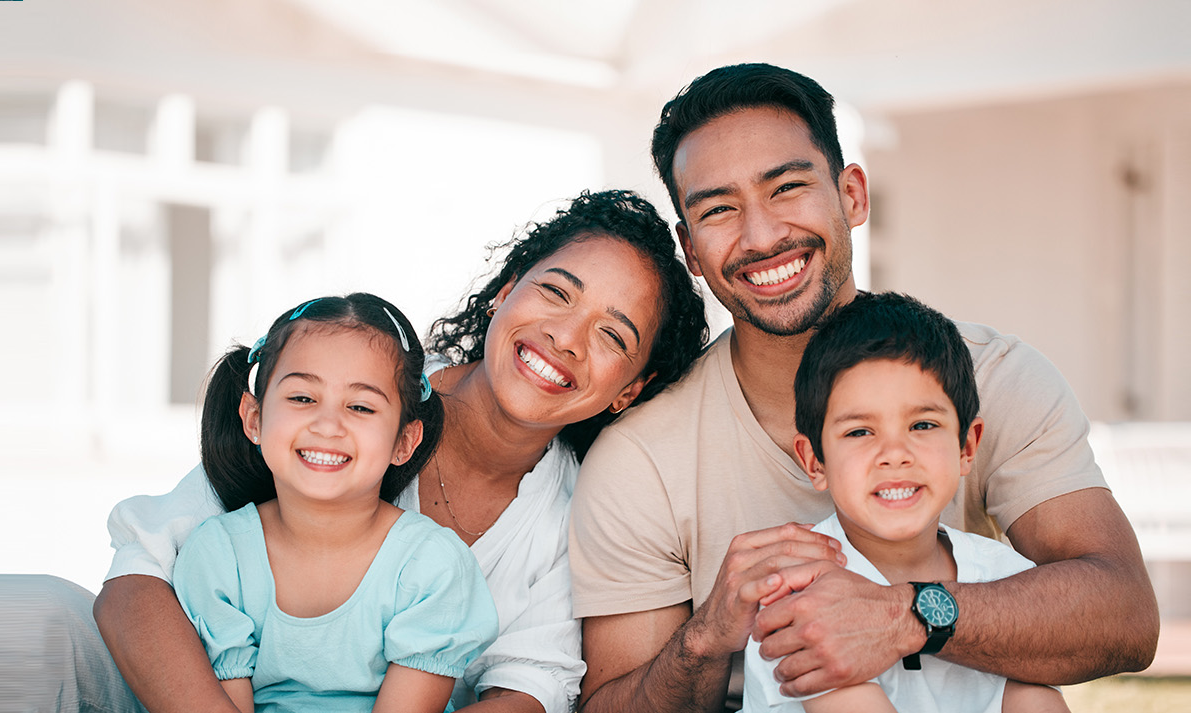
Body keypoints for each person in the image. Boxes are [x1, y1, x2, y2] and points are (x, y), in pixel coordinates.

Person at [570, 63, 1157, 713]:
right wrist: (706, 636)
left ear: (852, 195)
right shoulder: (642, 459)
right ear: (690, 247)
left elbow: (1126, 616)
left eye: (787, 187)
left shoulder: (995, 376)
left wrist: (906, 614)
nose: (762, 235)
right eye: (719, 209)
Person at [94, 189, 711, 713]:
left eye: (611, 334)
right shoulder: (347, 400)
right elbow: (136, 581)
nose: (566, 338)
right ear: (503, 291)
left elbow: (530, 686)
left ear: (628, 391)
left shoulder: (582, 510)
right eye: (555, 293)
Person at [739, 291, 1068, 713]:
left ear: (967, 447)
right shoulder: (798, 593)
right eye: (859, 432)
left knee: (1037, 692)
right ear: (814, 460)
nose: (895, 453)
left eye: (923, 424)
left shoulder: (1005, 579)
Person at [173, 293, 497, 713]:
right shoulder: (218, 556)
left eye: (360, 406)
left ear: (404, 441)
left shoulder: (431, 566)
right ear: (254, 418)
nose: (328, 425)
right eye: (302, 398)